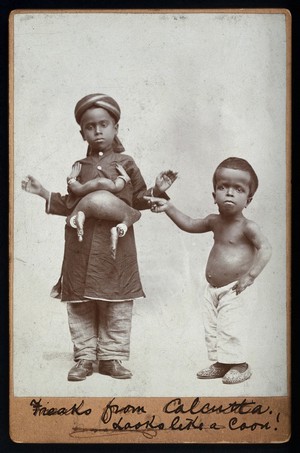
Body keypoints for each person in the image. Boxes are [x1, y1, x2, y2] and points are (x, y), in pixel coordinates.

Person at [22, 93, 177, 382]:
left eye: (103, 124)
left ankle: (111, 358)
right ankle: (84, 357)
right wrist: (42, 192)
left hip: (116, 247)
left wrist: (157, 188)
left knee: (117, 302)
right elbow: (70, 203)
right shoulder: (79, 167)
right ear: (82, 132)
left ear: (116, 127)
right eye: (90, 126)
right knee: (80, 302)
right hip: (80, 246)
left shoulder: (126, 163)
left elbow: (139, 200)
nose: (98, 131)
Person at [145, 157, 272, 384]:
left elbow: (266, 248)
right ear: (214, 196)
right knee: (213, 327)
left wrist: (250, 277)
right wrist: (169, 207)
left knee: (231, 327)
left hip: (236, 288)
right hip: (212, 289)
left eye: (238, 189)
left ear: (248, 199)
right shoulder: (214, 221)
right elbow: (189, 223)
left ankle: (240, 364)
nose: (230, 193)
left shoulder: (248, 226)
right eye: (223, 187)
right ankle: (222, 363)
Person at [65, 160, 141, 258]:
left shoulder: (83, 188)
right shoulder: (131, 212)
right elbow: (119, 186)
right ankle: (119, 229)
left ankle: (78, 217)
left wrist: (71, 178)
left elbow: (76, 189)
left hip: (87, 200)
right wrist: (125, 177)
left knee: (72, 217)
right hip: (107, 197)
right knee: (132, 215)